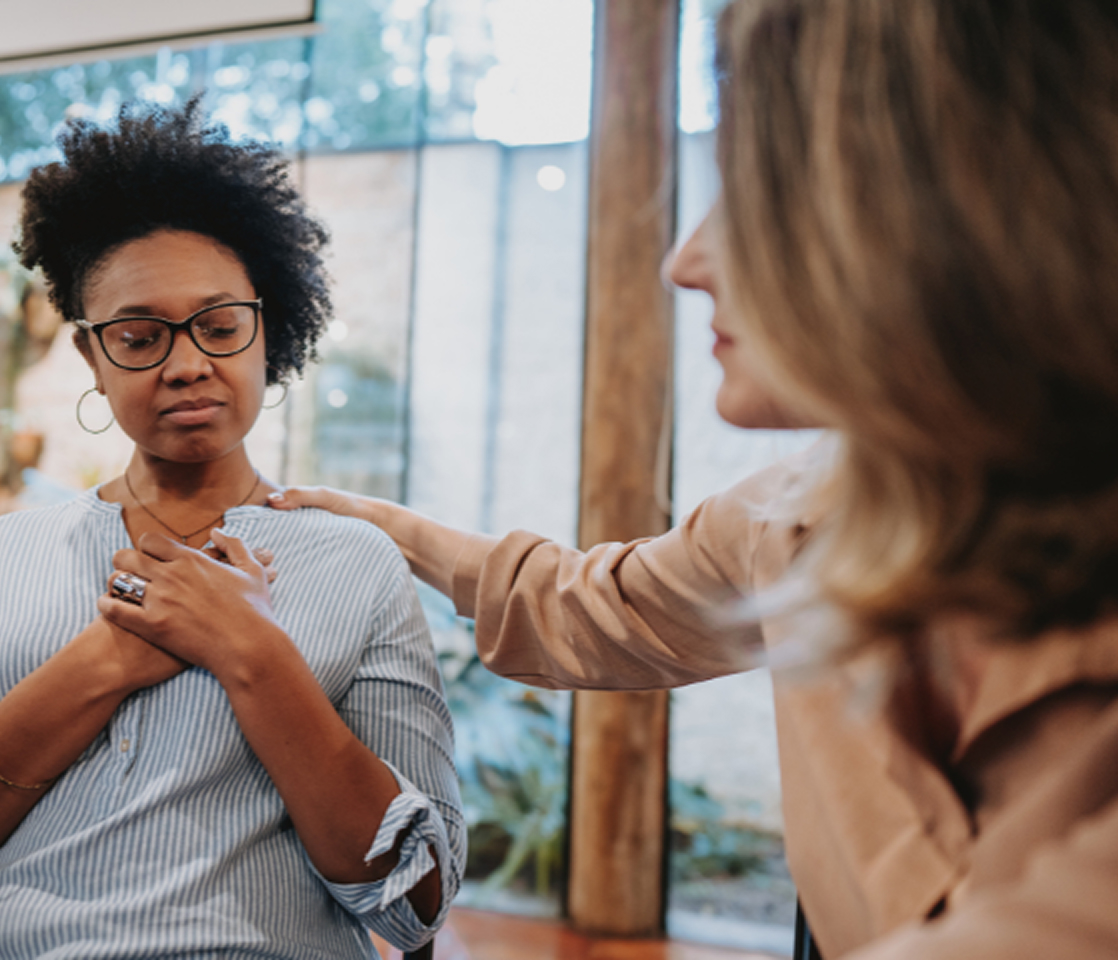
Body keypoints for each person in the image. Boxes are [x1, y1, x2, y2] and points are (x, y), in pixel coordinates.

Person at [273, 1, 1118, 957]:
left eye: (759, 194)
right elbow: (585, 605)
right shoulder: (787, 518)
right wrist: (383, 527)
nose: (683, 261)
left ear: (961, 211)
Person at [0, 99, 464, 960]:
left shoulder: (357, 563)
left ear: (267, 333)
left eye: (220, 326)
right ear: (91, 355)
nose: (188, 363)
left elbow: (417, 896)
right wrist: (103, 662)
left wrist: (253, 654)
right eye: (138, 336)